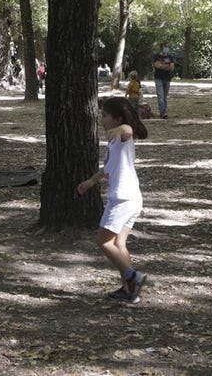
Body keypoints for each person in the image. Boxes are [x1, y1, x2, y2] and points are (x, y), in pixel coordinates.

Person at [76, 96, 149, 304]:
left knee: (103, 242)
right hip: (131, 198)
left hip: (122, 198)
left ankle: (133, 276)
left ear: (117, 119)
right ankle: (129, 290)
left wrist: (119, 129)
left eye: (106, 116)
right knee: (118, 243)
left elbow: (128, 130)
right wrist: (91, 181)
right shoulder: (114, 143)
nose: (102, 120)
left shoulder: (123, 136)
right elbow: (107, 169)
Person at [152, 42, 176, 119]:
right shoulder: (156, 56)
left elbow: (172, 68)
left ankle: (164, 111)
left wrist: (162, 66)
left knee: (165, 96)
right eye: (165, 47)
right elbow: (157, 65)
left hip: (167, 78)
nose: (167, 48)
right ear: (161, 48)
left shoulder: (170, 56)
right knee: (161, 96)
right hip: (158, 78)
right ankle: (163, 113)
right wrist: (167, 66)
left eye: (167, 47)